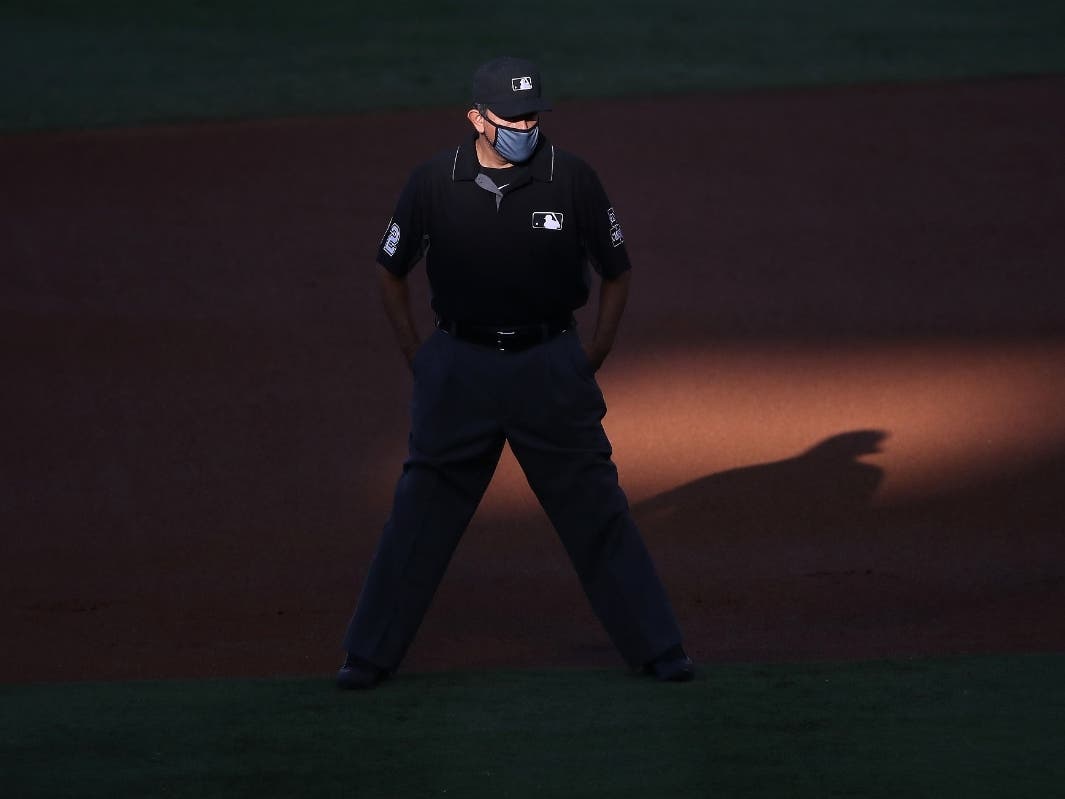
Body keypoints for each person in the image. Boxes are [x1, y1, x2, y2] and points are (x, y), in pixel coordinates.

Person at [338, 56, 693, 689]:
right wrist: (418, 356)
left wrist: (595, 353)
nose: (526, 126)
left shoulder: (572, 178)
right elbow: (388, 270)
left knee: (594, 508)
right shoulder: (432, 183)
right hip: (459, 367)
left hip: (550, 365)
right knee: (421, 513)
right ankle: (367, 656)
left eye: (533, 115)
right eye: (513, 116)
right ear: (476, 117)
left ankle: (660, 649)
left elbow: (618, 270)